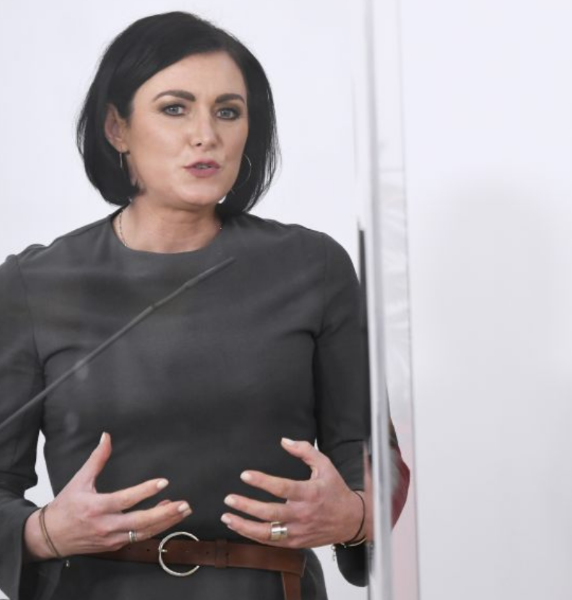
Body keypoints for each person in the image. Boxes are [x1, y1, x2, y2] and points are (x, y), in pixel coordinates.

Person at [0, 11, 409, 600]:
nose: (206, 135)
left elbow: (373, 456)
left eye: (228, 111)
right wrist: (42, 532)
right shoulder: (36, 283)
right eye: (175, 108)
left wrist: (355, 515)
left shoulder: (313, 266)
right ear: (116, 127)